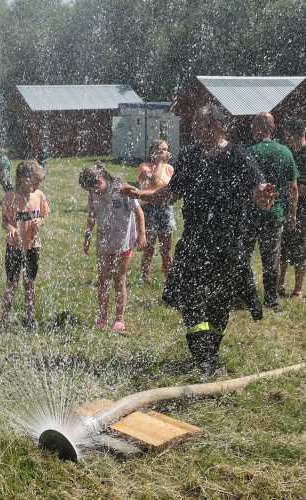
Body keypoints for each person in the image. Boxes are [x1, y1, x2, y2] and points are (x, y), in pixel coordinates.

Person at [120, 104, 277, 375]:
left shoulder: (239, 156)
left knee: (219, 301)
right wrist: (140, 194)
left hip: (229, 244)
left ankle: (208, 355)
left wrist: (265, 195)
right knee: (187, 295)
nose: (192, 129)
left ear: (216, 127)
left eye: (198, 125)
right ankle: (202, 352)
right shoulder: (190, 156)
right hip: (194, 240)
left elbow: (259, 196)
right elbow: (171, 193)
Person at [79, 164, 147, 331]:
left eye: (94, 189)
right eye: (89, 191)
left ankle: (119, 318)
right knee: (103, 280)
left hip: (123, 241)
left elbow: (138, 212)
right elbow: (92, 217)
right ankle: (102, 316)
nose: (93, 193)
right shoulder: (93, 193)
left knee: (119, 279)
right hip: (104, 242)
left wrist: (142, 234)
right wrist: (87, 238)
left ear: (100, 180)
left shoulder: (120, 189)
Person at [244, 112, 299, 311]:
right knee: (271, 260)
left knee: (244, 257)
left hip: (248, 215)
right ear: (273, 129)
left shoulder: (246, 151)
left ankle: (244, 297)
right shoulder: (285, 152)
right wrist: (292, 215)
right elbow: (293, 187)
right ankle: (271, 300)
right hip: (274, 215)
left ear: (254, 128)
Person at [0, 161, 49, 329]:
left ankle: (30, 318)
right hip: (14, 246)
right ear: (21, 179)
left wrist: (40, 222)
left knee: (29, 282)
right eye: (34, 182)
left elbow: (43, 215)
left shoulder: (39, 196)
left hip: (32, 246)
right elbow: (4, 221)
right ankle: (4, 319)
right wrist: (11, 227)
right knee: (12, 283)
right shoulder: (10, 197)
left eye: (39, 183)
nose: (36, 185)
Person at [137, 139, 175, 283]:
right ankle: (145, 278)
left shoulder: (170, 168)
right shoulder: (144, 167)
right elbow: (154, 181)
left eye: (166, 149)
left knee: (166, 249)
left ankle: (169, 279)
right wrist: (160, 162)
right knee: (149, 247)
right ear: (153, 152)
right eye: (160, 150)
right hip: (149, 208)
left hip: (166, 208)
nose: (164, 152)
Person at [279, 118, 306, 299]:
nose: (286, 137)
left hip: (303, 208)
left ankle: (298, 288)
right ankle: (279, 284)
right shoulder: (288, 152)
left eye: (287, 134)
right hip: (285, 205)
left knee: (300, 249)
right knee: (282, 246)